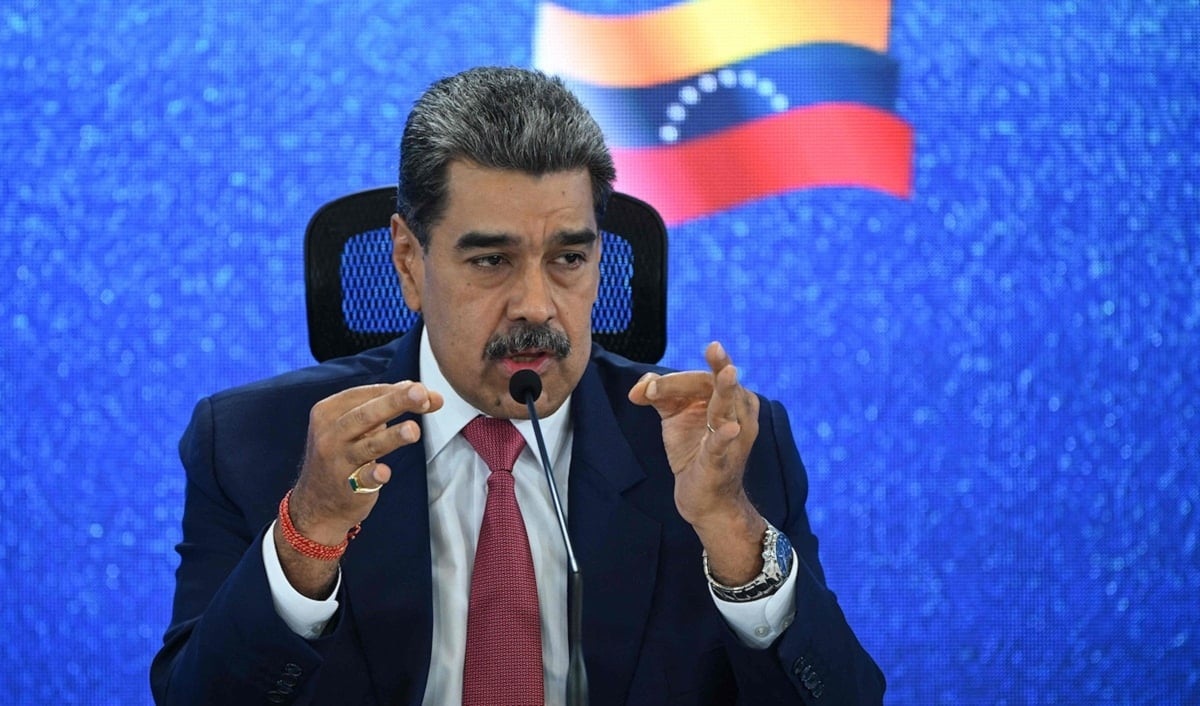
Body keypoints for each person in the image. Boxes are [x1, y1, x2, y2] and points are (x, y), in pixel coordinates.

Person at [151, 66, 884, 705]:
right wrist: (307, 535)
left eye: (568, 258)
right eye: (491, 261)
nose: (536, 305)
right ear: (407, 261)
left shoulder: (719, 450)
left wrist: (730, 531)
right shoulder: (251, 445)